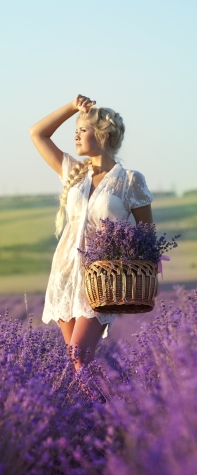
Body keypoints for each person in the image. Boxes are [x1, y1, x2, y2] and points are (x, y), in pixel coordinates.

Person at [29, 94, 154, 376]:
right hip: (64, 274)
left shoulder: (130, 180)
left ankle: (111, 414)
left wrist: (135, 268)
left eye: (82, 130)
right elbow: (37, 133)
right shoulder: (74, 172)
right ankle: (96, 415)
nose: (75, 137)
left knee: (79, 358)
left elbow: (147, 234)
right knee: (76, 364)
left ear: (104, 134)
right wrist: (72, 108)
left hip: (100, 280)